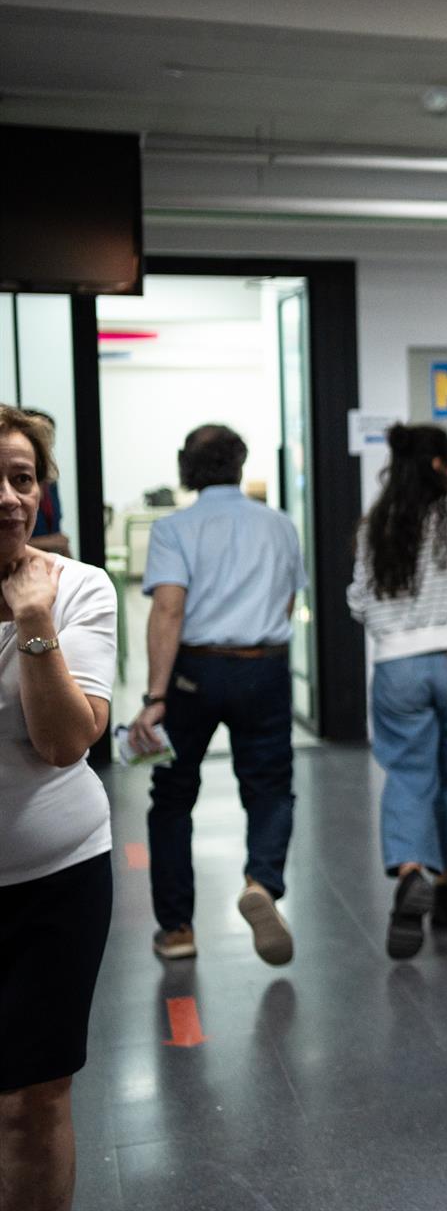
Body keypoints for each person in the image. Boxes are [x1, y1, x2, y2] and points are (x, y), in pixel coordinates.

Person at [128, 425, 304, 966]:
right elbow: (287, 599)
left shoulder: (174, 528)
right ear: (240, 464)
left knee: (173, 797)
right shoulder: (280, 525)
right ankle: (261, 881)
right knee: (270, 787)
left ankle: (177, 929)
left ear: (187, 467)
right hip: (265, 668)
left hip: (194, 673)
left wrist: (155, 695)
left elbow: (169, 610)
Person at [0, 406, 115, 1211]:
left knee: (32, 1103)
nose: (10, 497)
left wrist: (35, 620)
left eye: (23, 478)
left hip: (56, 879)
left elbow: (66, 741)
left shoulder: (78, 589)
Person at [348, 423, 447, 960]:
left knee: (409, 773)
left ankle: (412, 871)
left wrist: (394, 630)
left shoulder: (376, 524)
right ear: (439, 464)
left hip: (395, 666)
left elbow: (358, 600)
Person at [20, 410, 70, 558]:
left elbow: (58, 536)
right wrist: (50, 542)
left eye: (50, 440)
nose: (47, 447)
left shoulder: (50, 482)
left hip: (50, 563)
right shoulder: (11, 485)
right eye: (41, 439)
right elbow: (7, 542)